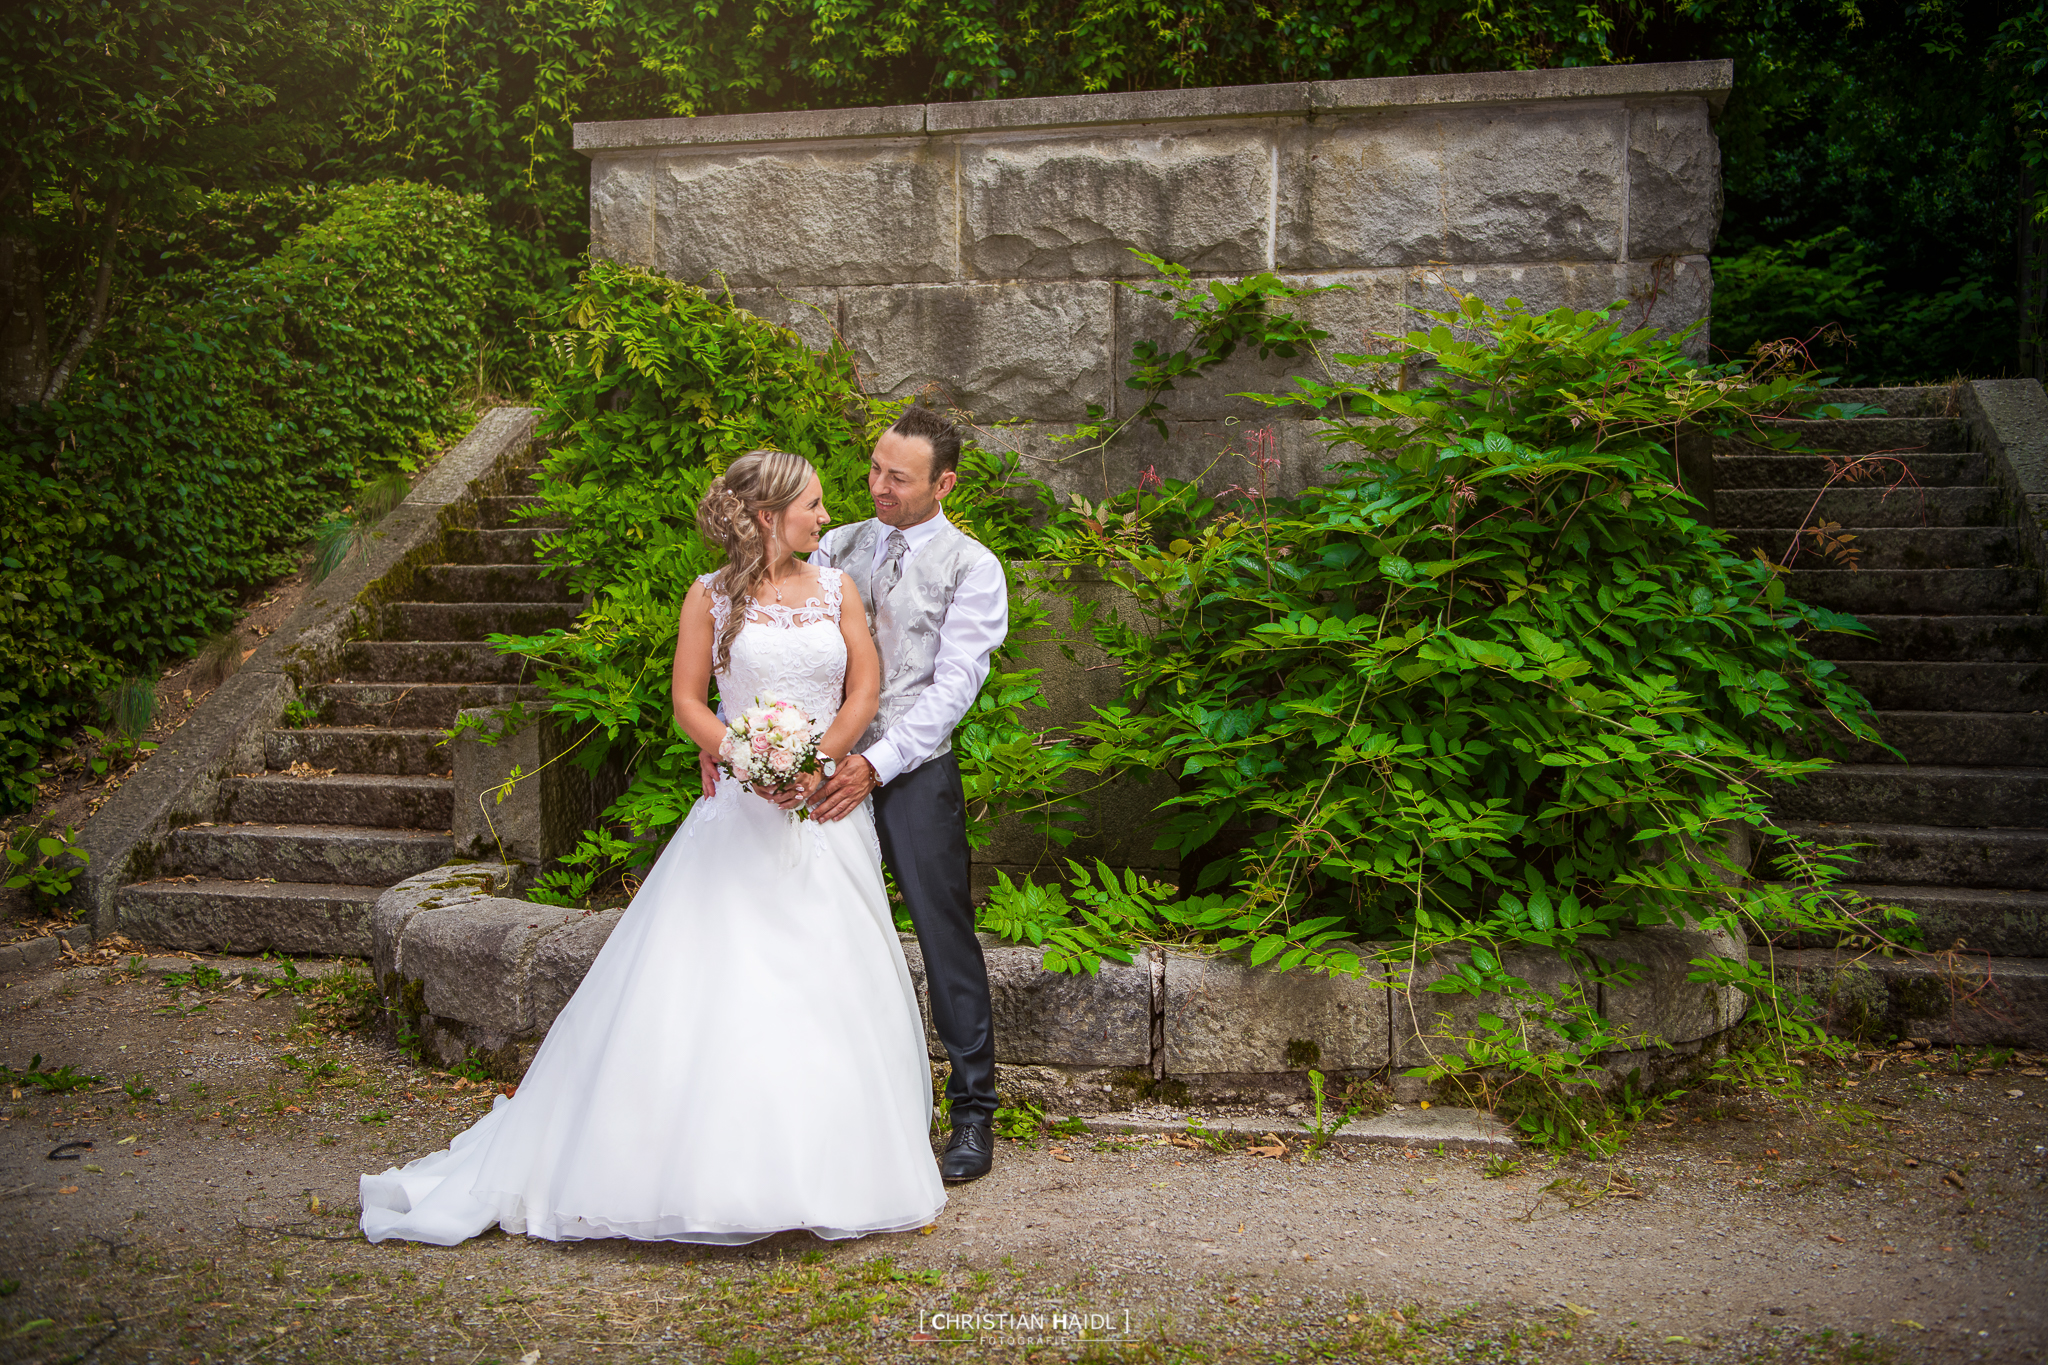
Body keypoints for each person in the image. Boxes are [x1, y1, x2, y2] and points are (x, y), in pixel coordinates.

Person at [358, 449, 947, 1246]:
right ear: (770, 515)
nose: (825, 513)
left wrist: (817, 765)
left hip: (822, 819)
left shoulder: (839, 588)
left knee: (830, 983)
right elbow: (686, 701)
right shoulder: (707, 598)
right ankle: (702, 1171)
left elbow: (865, 690)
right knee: (715, 986)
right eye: (812, 502)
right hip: (737, 815)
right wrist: (746, 757)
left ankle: (828, 1170)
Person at [791, 404, 1009, 1184]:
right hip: (819, 768)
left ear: (942, 483)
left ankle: (973, 1112)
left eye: (898, 477)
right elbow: (765, 626)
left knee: (944, 936)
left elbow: (952, 689)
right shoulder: (835, 542)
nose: (878, 486)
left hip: (913, 772)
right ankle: (826, 1109)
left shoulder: (973, 566)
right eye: (875, 468)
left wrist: (877, 762)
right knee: (810, 927)